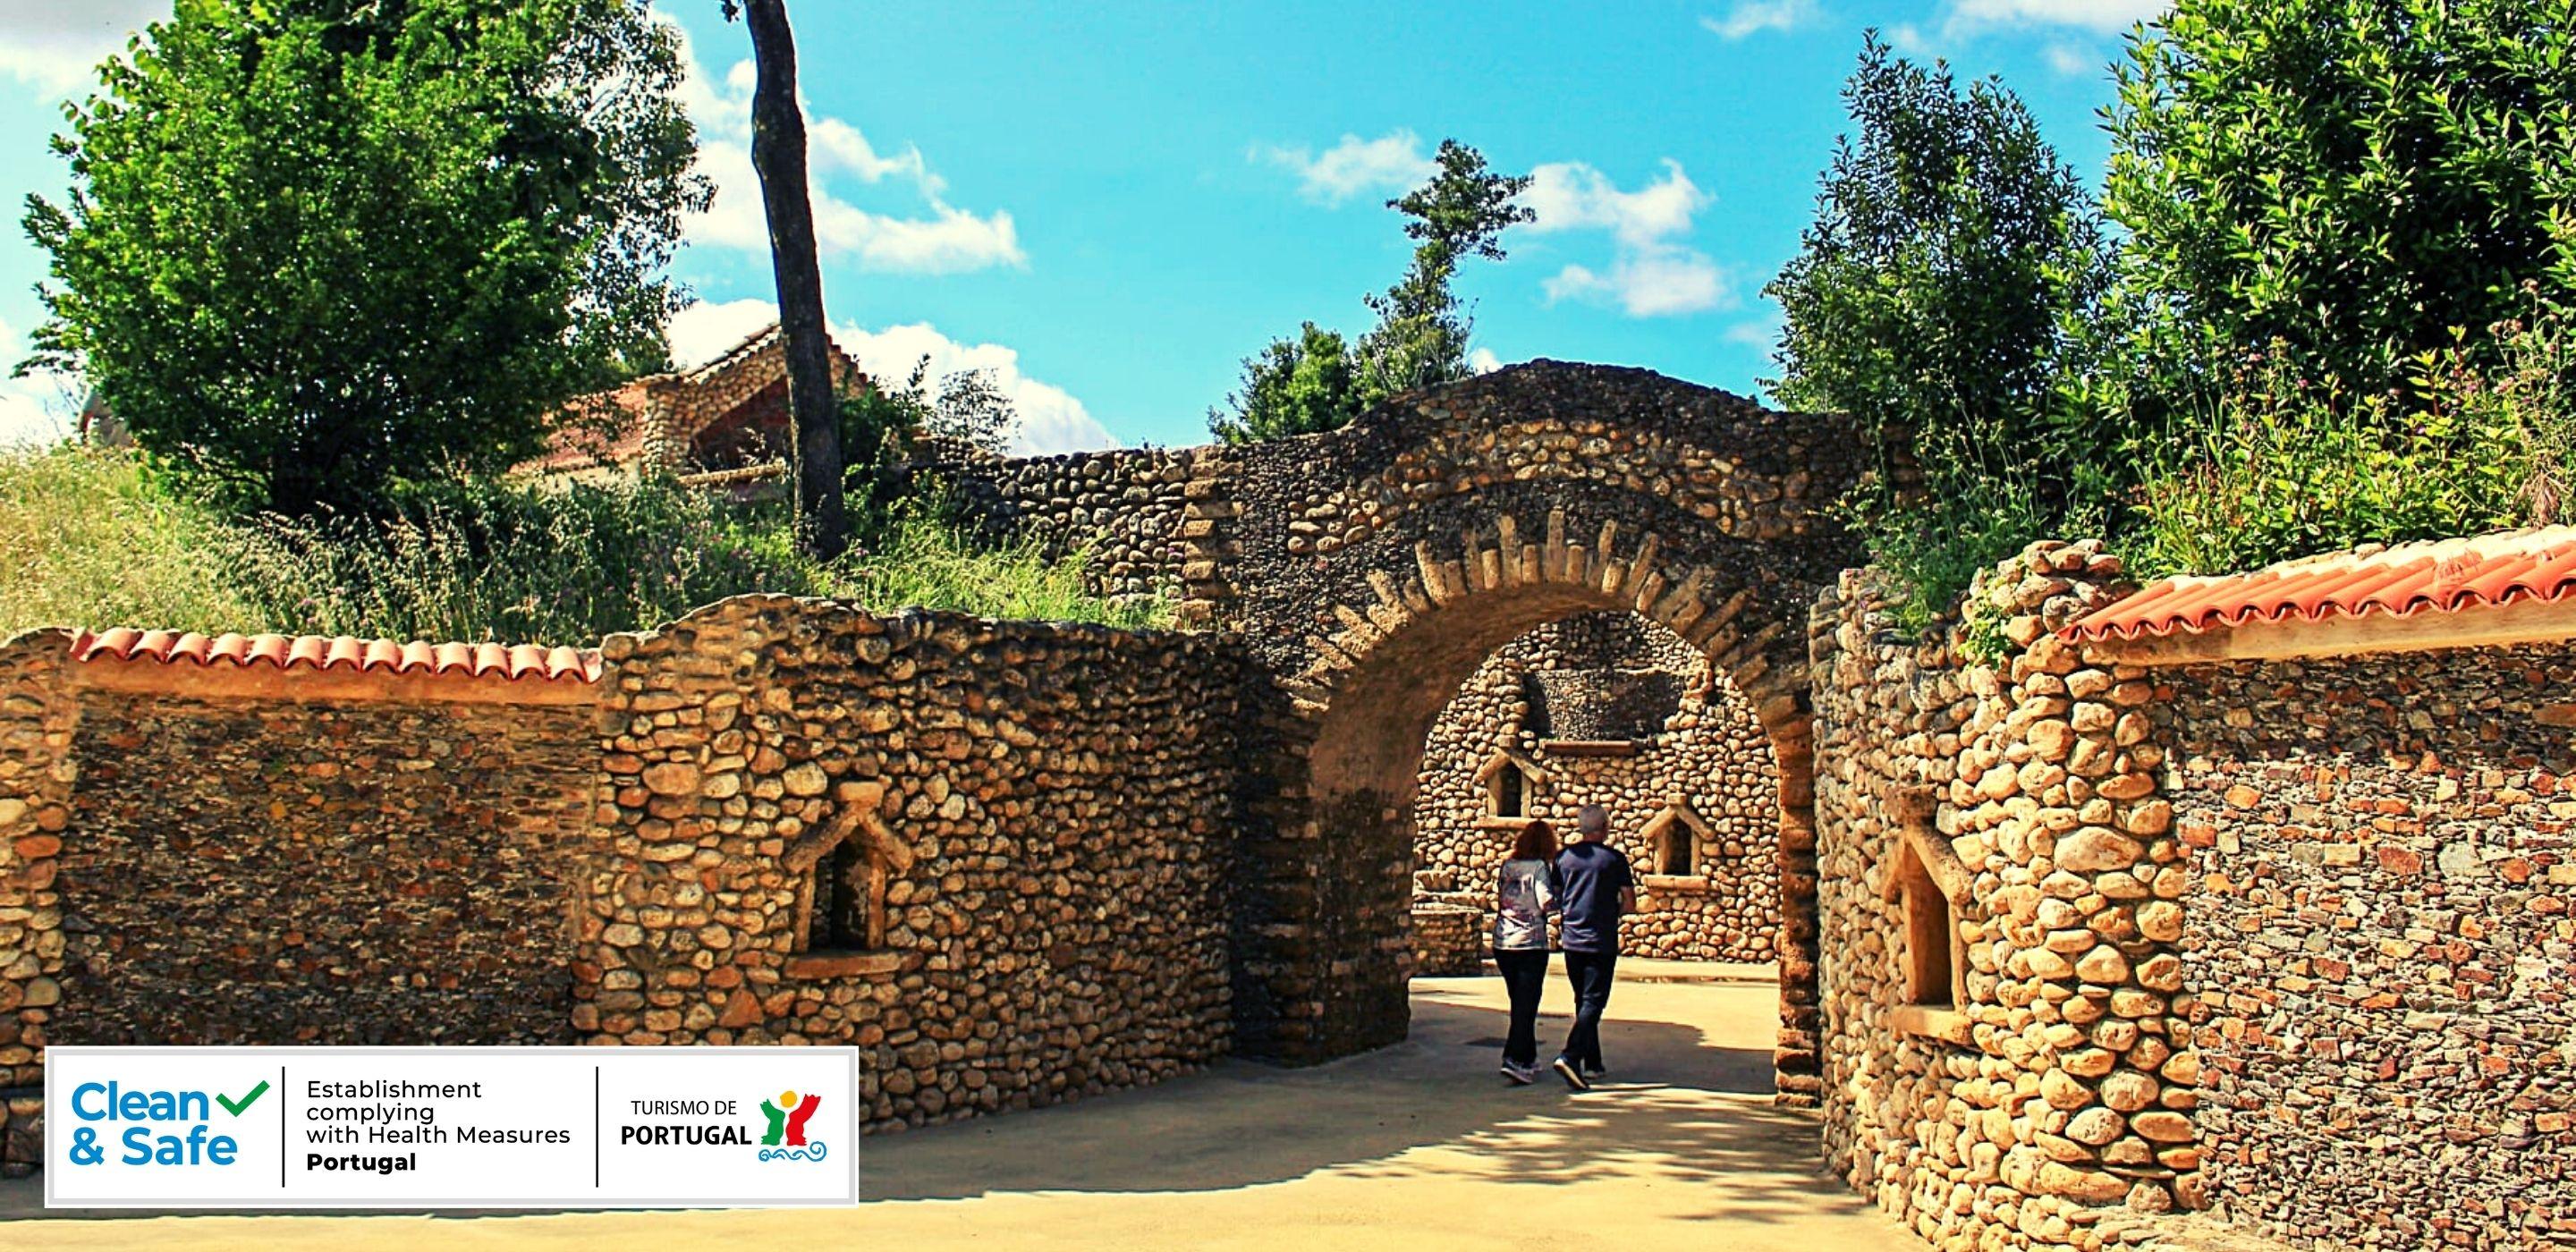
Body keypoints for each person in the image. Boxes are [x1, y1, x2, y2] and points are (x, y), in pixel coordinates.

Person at [1550, 804, 1632, 1091]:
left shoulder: (1563, 858)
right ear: (1605, 828)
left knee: (1582, 999)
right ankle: (1571, 1056)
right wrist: (1612, 912)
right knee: (1594, 1001)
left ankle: (1593, 1062)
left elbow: (1556, 895)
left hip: (1572, 939)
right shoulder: (1615, 860)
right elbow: (1629, 901)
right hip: (1601, 939)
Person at [1491, 818, 1561, 1084]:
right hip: (1530, 944)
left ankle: (1529, 1057)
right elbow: (1545, 902)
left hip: (1503, 942)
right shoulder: (1540, 868)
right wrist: (1564, 900)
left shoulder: (1507, 866)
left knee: (1519, 1002)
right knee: (1527, 1005)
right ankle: (1515, 1059)